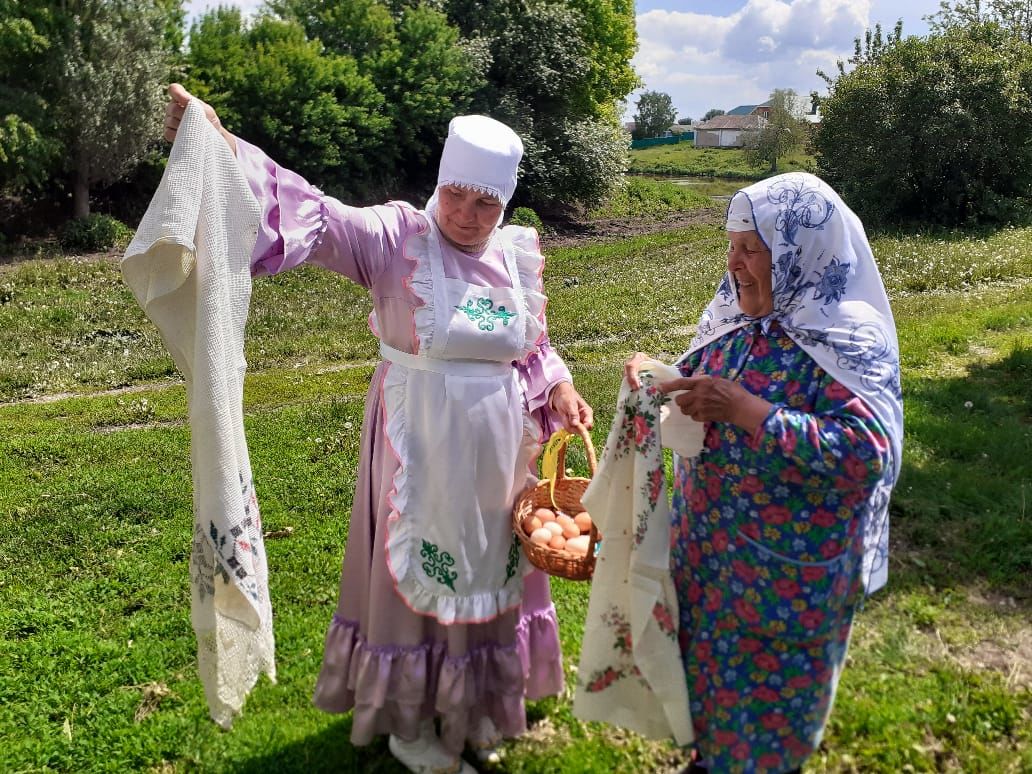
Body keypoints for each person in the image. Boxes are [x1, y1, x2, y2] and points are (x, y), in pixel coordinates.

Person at [163, 83, 593, 774]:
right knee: (419, 576)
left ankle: (478, 706)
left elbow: (532, 347)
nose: (467, 213)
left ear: (506, 202)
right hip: (417, 446)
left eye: (487, 201)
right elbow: (317, 215)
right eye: (456, 192)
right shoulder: (397, 238)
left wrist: (563, 389)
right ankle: (411, 723)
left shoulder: (515, 255)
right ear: (439, 181)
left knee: (492, 570)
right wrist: (219, 145)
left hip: (501, 453)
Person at [625, 172, 902, 773]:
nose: (736, 264)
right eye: (732, 246)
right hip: (712, 563)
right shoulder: (735, 316)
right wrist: (663, 383)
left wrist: (749, 412)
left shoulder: (848, 336)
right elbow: (708, 385)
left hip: (786, 579)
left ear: (802, 251)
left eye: (753, 249)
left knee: (767, 721)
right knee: (709, 692)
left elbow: (865, 452)